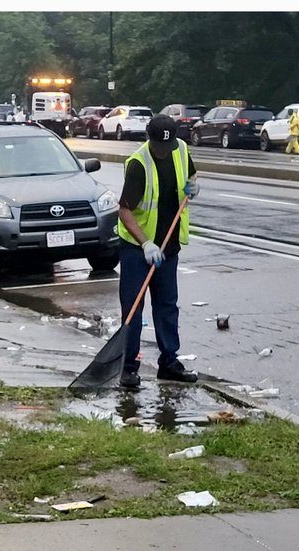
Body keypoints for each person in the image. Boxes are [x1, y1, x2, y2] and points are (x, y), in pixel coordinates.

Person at [116, 114, 200, 391]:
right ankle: (128, 368)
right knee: (133, 308)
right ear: (150, 139)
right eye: (159, 146)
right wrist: (145, 244)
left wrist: (193, 185)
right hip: (138, 249)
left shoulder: (180, 150)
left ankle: (169, 363)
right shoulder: (139, 164)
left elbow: (191, 173)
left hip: (169, 245)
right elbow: (125, 210)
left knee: (166, 306)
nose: (164, 151)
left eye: (168, 146)